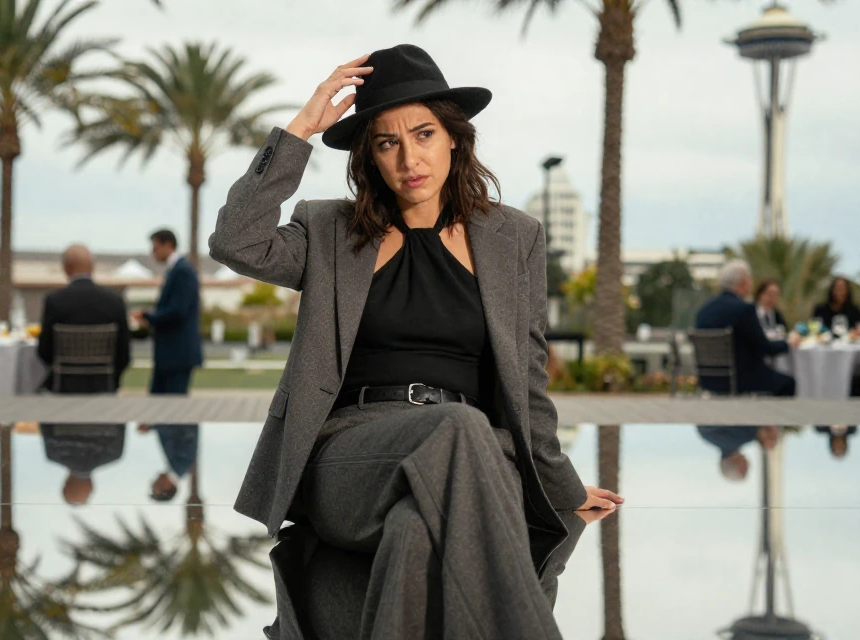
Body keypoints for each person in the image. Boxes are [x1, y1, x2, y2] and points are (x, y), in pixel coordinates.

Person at [208, 45, 620, 638]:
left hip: (472, 458)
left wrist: (562, 486)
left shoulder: (514, 239)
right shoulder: (328, 230)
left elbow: (528, 383)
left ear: (455, 138)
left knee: (415, 528)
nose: (409, 158)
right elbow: (236, 242)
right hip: (351, 455)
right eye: (386, 142)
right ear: (369, 158)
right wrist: (300, 129)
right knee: (458, 426)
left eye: (424, 134)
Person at [695, 260, 801, 396]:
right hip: (741, 379)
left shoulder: (704, 310)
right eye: (750, 279)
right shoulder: (744, 309)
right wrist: (788, 344)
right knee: (788, 383)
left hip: (708, 380)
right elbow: (765, 347)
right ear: (743, 281)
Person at [37, 244, 131, 392]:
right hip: (103, 384)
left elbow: (44, 352)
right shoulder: (114, 301)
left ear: (66, 268)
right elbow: (124, 354)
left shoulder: (55, 301)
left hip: (63, 384)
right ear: (92, 267)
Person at [132, 229, 203, 394]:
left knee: (173, 409)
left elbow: (178, 310)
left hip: (176, 353)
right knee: (162, 405)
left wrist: (148, 316)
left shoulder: (182, 270)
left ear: (168, 245)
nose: (153, 252)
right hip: (170, 354)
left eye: (155, 247)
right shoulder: (176, 270)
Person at [40, 423, 125, 505]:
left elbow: (122, 419)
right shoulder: (54, 454)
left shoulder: (113, 454)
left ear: (92, 486)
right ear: (66, 483)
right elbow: (44, 416)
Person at [697, 425, 779, 481]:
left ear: (741, 468)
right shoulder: (705, 436)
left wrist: (763, 437)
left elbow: (759, 426)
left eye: (746, 469)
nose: (748, 464)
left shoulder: (743, 437)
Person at [142, 422, 199, 502]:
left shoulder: (176, 466)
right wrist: (152, 427)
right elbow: (182, 430)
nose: (154, 481)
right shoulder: (181, 465)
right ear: (166, 487)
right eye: (156, 485)